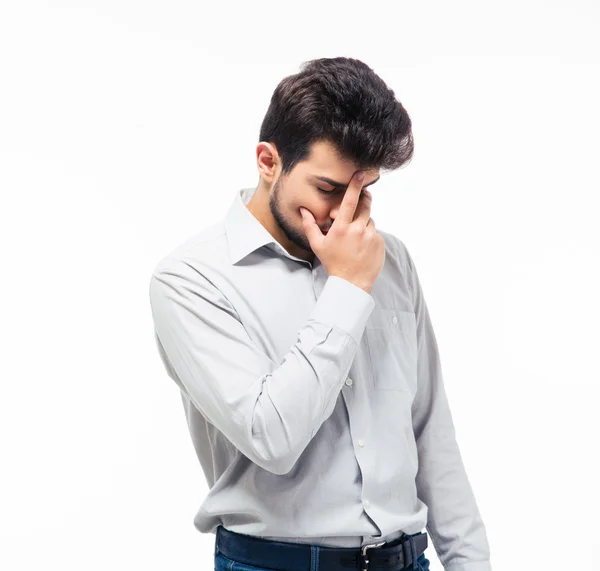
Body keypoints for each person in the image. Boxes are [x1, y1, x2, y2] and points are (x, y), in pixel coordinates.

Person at [148, 57, 492, 571]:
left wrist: (471, 563)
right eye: (329, 189)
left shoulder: (391, 260)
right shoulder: (191, 280)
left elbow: (430, 431)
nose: (347, 211)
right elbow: (272, 438)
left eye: (365, 189)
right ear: (269, 161)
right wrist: (348, 289)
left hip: (406, 559)